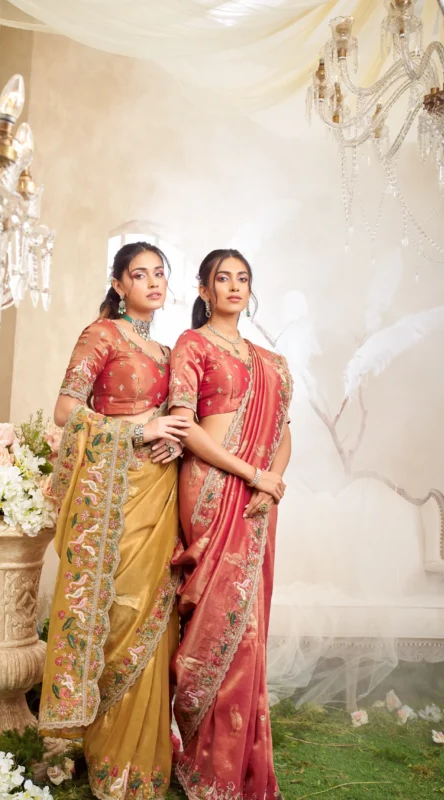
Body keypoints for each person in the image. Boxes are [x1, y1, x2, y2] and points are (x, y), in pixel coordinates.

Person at [38, 242, 189, 800]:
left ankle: (145, 762)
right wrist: (135, 432)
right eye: (140, 274)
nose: (152, 282)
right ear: (119, 284)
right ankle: (104, 756)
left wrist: (173, 439)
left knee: (153, 615)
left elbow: (180, 418)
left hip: (160, 494)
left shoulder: (172, 350)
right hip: (114, 497)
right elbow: (65, 411)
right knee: (116, 612)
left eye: (160, 274)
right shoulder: (100, 334)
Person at [165, 248, 292, 800]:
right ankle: (198, 753)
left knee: (247, 631)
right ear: (204, 288)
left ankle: (232, 764)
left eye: (243, 279)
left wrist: (273, 481)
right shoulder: (192, 346)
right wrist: (253, 475)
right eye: (224, 278)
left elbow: (285, 433)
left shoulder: (272, 361)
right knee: (210, 616)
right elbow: (185, 428)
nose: (234, 287)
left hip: (257, 494)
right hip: (212, 490)